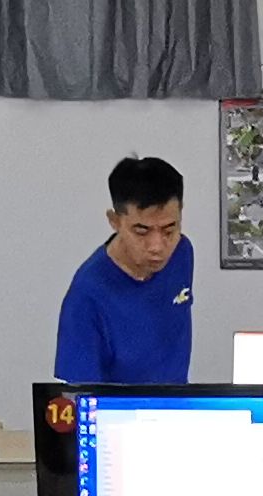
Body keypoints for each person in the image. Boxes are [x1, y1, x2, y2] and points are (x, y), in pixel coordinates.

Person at [53, 155, 196, 385]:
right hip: (120, 407)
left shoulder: (182, 253)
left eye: (169, 230)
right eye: (141, 231)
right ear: (115, 221)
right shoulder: (86, 297)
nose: (157, 247)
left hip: (177, 403)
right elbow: (79, 394)